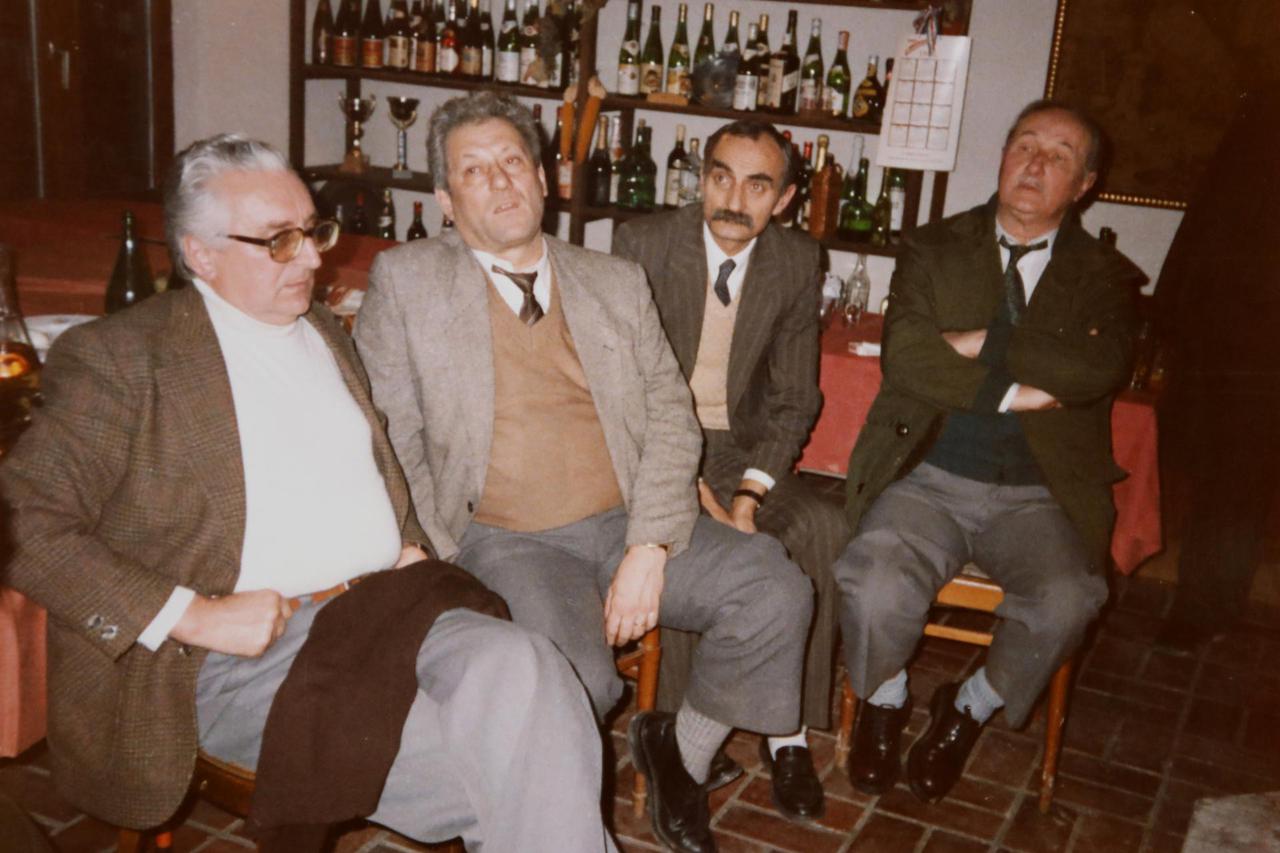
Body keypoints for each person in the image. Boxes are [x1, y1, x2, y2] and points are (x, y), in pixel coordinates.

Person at [0, 133, 615, 851]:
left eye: (312, 231)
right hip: (240, 657)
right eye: (278, 241)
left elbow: (371, 460)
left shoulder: (322, 329)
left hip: (387, 605)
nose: (314, 258)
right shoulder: (124, 357)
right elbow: (23, 522)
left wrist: (406, 540)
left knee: (536, 667)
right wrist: (193, 615)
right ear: (201, 254)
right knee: (524, 763)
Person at [355, 92, 813, 853]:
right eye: (474, 170)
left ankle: (681, 753)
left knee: (775, 590)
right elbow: (386, 435)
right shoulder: (407, 283)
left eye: (513, 161)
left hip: (626, 517)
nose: (501, 181)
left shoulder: (612, 279)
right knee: (576, 685)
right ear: (444, 199)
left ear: (543, 178)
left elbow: (670, 415)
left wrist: (650, 545)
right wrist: (423, 551)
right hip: (509, 539)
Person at [833, 101, 1143, 804]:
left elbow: (1095, 370)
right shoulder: (932, 247)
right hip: (927, 476)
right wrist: (1013, 392)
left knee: (1069, 599)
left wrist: (986, 340)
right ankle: (886, 697)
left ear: (1085, 184)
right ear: (1003, 155)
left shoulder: (1105, 275)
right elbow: (907, 358)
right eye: (1025, 145)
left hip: (1038, 496)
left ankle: (968, 706)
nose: (1035, 164)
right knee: (873, 582)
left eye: (1059, 156)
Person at [613, 119, 849, 823]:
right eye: (721, 177)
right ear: (701, 177)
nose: (734, 199)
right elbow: (619, 387)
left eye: (757, 185)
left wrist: (747, 496)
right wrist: (683, 481)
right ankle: (681, 731)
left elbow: (795, 397)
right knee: (697, 544)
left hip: (739, 450)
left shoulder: (796, 260)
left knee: (820, 528)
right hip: (657, 443)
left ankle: (788, 733)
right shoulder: (644, 245)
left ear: (785, 199)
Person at [1154, 85, 1280, 653]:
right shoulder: (1262, 116)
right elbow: (1208, 222)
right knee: (1229, 482)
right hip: (1240, 344)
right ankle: (1204, 606)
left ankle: (1206, 606)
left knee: (1235, 483)